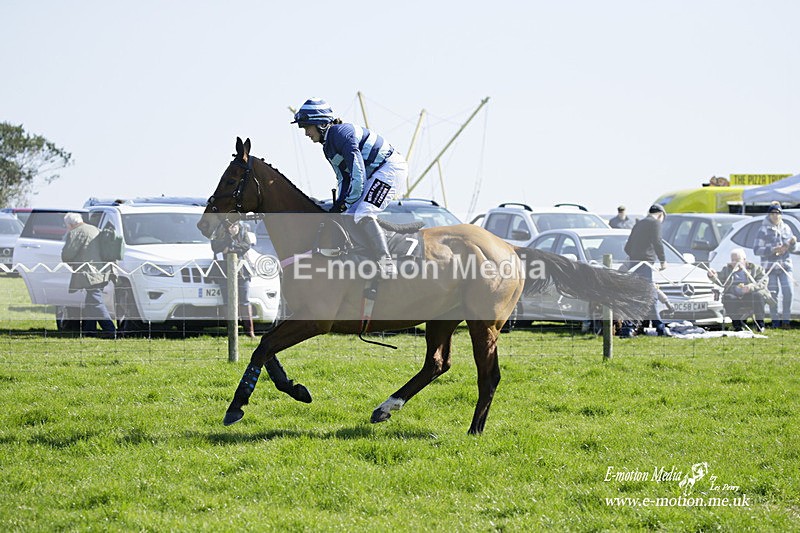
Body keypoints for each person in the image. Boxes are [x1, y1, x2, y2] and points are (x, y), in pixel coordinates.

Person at [291, 97, 408, 277]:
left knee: (363, 213)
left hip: (390, 168)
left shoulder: (340, 134)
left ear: (320, 124)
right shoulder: (328, 146)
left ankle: (386, 263)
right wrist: (339, 205)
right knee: (347, 216)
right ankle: (363, 259)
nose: (306, 133)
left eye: (307, 127)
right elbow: (343, 178)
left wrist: (345, 202)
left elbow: (358, 173)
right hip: (375, 172)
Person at [61, 212, 116, 337]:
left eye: (67, 226)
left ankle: (111, 331)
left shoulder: (76, 232)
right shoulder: (94, 229)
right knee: (91, 302)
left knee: (96, 303)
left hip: (90, 274)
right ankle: (89, 331)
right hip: (103, 272)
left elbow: (67, 255)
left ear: (70, 224)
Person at [624, 204, 668, 335]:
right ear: (660, 215)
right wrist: (663, 260)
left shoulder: (639, 223)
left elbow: (627, 246)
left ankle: (656, 325)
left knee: (642, 294)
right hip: (645, 264)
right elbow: (657, 242)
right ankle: (656, 326)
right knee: (650, 294)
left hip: (634, 263)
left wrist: (634, 257)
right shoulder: (654, 223)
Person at [753, 204, 797, 328]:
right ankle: (775, 322)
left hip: (785, 266)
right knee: (773, 295)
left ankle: (786, 321)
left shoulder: (786, 228)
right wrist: (772, 249)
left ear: (781, 215)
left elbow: (793, 249)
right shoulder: (763, 229)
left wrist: (792, 244)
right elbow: (756, 250)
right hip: (769, 267)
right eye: (772, 213)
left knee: (788, 292)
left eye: (777, 213)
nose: (775, 215)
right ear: (769, 215)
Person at [211, 220, 255, 337]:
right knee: (227, 301)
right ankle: (231, 330)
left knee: (244, 301)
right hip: (223, 271)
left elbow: (246, 245)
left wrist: (231, 248)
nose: (233, 227)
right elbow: (215, 247)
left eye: (235, 225)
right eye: (230, 226)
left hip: (242, 272)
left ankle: (249, 331)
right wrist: (229, 237)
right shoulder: (218, 230)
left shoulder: (243, 229)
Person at [706, 248, 768, 331]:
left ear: (744, 260)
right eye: (733, 260)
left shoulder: (756, 269)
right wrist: (712, 275)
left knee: (758, 296)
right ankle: (738, 326)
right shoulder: (727, 270)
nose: (735, 262)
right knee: (728, 298)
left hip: (749, 296)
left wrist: (750, 287)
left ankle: (760, 325)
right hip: (734, 297)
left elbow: (762, 281)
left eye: (738, 260)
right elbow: (719, 279)